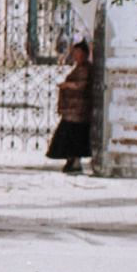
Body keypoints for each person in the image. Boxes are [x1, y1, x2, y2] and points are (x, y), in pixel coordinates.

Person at [48, 33, 95, 172]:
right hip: (73, 110)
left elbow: (82, 85)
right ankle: (71, 161)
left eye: (77, 52)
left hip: (78, 111)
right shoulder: (80, 67)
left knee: (73, 136)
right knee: (70, 135)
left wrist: (66, 86)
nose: (74, 55)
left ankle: (74, 161)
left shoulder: (85, 68)